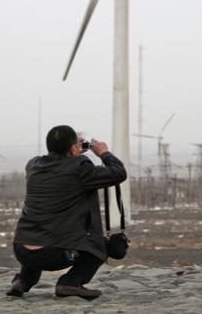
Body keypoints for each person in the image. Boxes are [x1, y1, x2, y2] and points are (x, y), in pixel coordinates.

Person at [7, 125, 127, 300]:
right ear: (73, 148)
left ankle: (23, 281)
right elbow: (118, 173)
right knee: (99, 245)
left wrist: (69, 150)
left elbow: (60, 166)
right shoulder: (80, 167)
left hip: (22, 250)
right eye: (76, 145)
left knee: (40, 230)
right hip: (54, 254)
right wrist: (103, 153)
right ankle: (70, 282)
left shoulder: (33, 165)